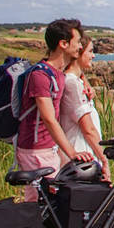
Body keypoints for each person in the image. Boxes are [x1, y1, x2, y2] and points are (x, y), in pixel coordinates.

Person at [16, 18, 94, 201]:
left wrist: (85, 81)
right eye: (77, 42)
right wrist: (72, 153)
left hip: (50, 148)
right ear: (63, 44)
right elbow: (49, 118)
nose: (80, 47)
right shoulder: (40, 75)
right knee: (40, 204)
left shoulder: (57, 72)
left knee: (52, 204)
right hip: (36, 150)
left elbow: (73, 72)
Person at [60, 33, 110, 180]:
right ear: (78, 53)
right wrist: (104, 160)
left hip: (83, 157)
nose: (93, 56)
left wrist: (84, 79)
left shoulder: (75, 81)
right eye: (90, 51)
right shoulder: (72, 84)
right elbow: (88, 129)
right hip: (81, 158)